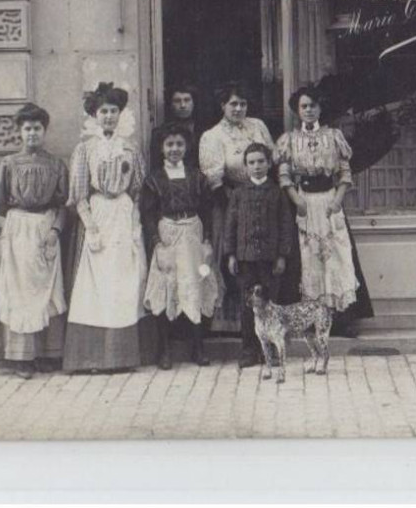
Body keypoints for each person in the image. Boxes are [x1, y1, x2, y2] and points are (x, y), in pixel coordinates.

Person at [63, 82, 152, 373]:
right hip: (99, 213)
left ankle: (121, 357)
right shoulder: (86, 148)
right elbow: (78, 193)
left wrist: (135, 220)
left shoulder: (130, 147)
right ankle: (92, 358)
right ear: (94, 115)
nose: (109, 116)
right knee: (96, 284)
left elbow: (138, 187)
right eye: (104, 111)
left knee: (124, 282)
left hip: (124, 214)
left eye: (114, 110)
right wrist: (91, 228)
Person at [0, 103, 68, 378]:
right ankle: (20, 357)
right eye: (27, 129)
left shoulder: (55, 164)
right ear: (20, 132)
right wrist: (18, 218)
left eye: (37, 128)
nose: (32, 134)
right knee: (17, 289)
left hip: (45, 228)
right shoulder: (8, 163)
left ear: (44, 131)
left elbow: (64, 203)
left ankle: (46, 354)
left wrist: (54, 230)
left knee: (46, 288)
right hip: (18, 230)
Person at [275, 85, 374, 334]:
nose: (309, 110)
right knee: (308, 257)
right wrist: (296, 199)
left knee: (336, 255)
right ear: (297, 111)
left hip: (330, 201)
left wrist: (338, 199)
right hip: (304, 203)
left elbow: (344, 172)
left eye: (313, 105)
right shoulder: (290, 140)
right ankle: (311, 318)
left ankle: (341, 319)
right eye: (304, 106)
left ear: (321, 108)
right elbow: (284, 173)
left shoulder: (334, 136)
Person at [198, 81, 274, 328]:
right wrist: (236, 208)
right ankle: (231, 324)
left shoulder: (258, 126)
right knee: (231, 259)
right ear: (223, 106)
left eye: (243, 104)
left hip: (262, 199)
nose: (239, 108)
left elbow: (271, 158)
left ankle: (263, 321)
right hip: (228, 201)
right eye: (233, 104)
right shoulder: (212, 136)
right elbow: (214, 180)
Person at [141, 124, 217, 369]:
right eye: (170, 145)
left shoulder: (197, 176)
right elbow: (148, 214)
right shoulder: (154, 179)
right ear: (162, 148)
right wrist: (156, 243)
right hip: (167, 234)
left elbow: (208, 209)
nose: (175, 149)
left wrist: (208, 240)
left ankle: (198, 347)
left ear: (187, 147)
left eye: (179, 144)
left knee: (195, 284)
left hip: (193, 233)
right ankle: (164, 350)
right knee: (166, 286)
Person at [223, 142, 293, 368]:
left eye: (261, 161)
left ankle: (271, 351)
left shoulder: (277, 192)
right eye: (251, 162)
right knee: (248, 307)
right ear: (245, 166)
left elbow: (285, 226)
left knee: (271, 306)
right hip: (245, 260)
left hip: (270, 260)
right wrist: (231, 254)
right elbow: (230, 225)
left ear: (269, 163)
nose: (257, 166)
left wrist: (282, 256)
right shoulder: (238, 193)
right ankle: (248, 351)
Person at [149, 84, 199, 170]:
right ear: (171, 105)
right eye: (177, 101)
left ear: (194, 103)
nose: (183, 105)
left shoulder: (204, 132)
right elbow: (156, 169)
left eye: (187, 100)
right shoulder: (159, 134)